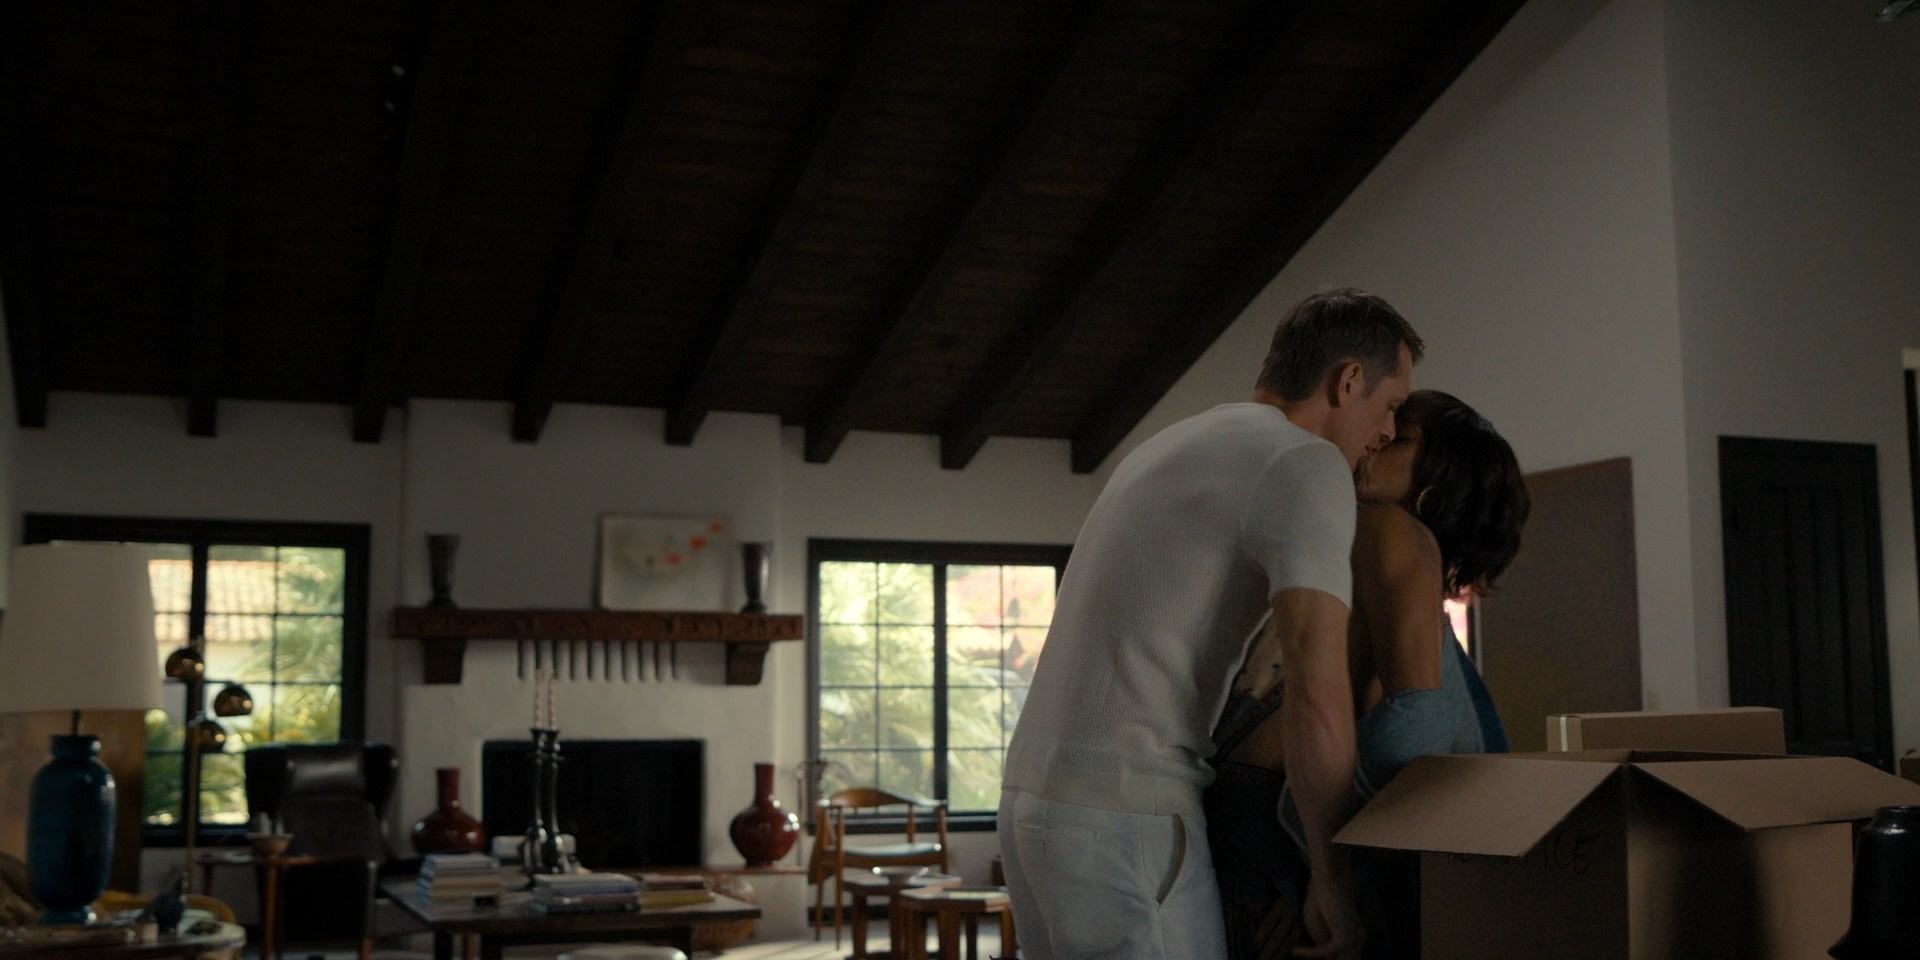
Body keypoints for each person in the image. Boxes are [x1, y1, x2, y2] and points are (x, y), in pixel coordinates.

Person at [1000, 288, 1423, 960]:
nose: (1390, 431)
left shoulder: (1167, 443)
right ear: (1348, 382)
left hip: (1031, 807)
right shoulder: (1305, 462)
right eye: (1392, 404)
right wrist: (1332, 880)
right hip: (1127, 819)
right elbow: (1318, 692)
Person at [1204, 390, 1530, 960]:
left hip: (1271, 824)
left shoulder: (1386, 529)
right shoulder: (1365, 535)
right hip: (1279, 825)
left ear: (1440, 476)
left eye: (1399, 437)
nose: (1376, 439)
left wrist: (1318, 870)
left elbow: (1409, 733)